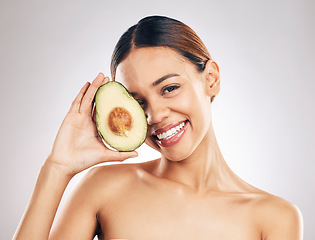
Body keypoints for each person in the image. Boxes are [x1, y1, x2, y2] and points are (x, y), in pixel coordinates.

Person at [14, 15, 303, 240]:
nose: (155, 115)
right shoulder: (103, 187)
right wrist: (57, 168)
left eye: (169, 88)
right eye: (138, 102)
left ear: (211, 78)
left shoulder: (275, 217)